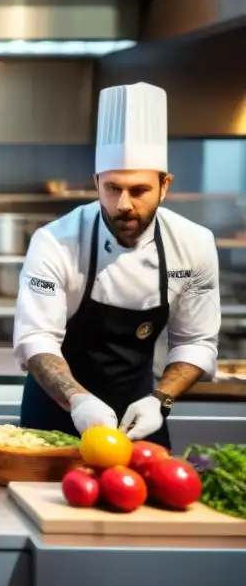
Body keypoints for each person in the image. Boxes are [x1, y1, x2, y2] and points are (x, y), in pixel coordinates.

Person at [14, 82, 220, 447]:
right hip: (55, 414)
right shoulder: (55, 241)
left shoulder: (193, 244)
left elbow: (196, 341)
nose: (124, 203)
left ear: (164, 186)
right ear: (96, 182)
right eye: (111, 188)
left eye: (139, 190)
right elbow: (36, 338)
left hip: (140, 412)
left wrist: (162, 399)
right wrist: (78, 400)